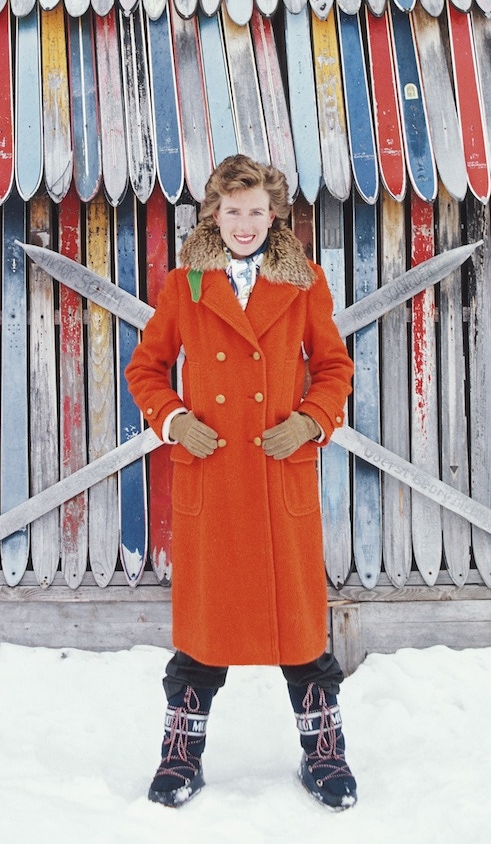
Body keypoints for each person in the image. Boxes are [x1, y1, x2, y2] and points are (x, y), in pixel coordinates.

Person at [125, 155, 357, 810]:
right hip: (215, 478)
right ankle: (180, 758)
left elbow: (335, 368)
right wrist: (173, 421)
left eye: (257, 211)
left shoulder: (306, 282)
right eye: (234, 211)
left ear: (274, 212)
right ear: (214, 214)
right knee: (202, 634)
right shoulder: (185, 285)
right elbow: (145, 369)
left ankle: (325, 754)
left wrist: (311, 421)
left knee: (302, 633)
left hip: (278, 474)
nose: (246, 223)